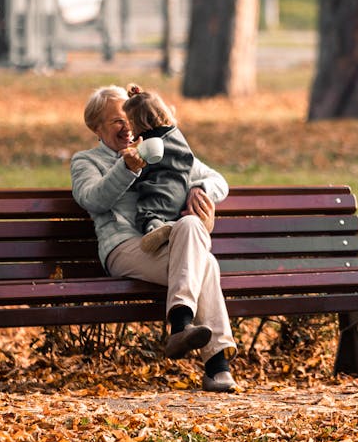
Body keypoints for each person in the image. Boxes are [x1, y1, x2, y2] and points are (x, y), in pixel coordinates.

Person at [70, 84, 237, 393]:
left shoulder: (158, 147)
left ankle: (180, 325)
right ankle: (217, 365)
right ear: (97, 127)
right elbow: (93, 199)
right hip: (123, 248)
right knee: (206, 265)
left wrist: (199, 192)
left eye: (128, 119)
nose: (127, 127)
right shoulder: (86, 161)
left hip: (167, 241)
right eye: (116, 121)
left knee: (190, 227)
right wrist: (126, 168)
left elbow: (217, 180)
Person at [122, 82, 195, 254]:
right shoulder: (176, 135)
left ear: (137, 122)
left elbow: (138, 169)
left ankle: (154, 230)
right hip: (181, 191)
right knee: (171, 217)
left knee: (147, 214)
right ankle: (172, 228)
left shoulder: (149, 144)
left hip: (160, 191)